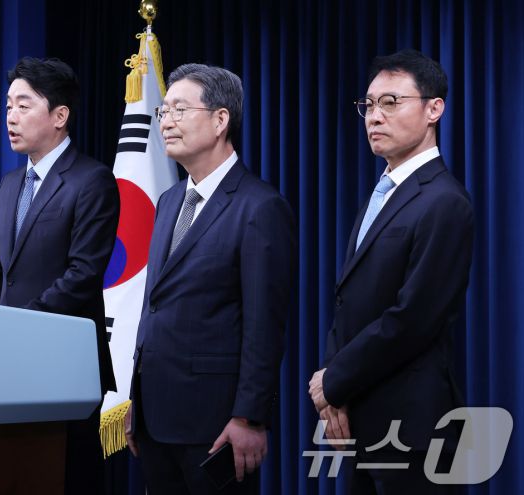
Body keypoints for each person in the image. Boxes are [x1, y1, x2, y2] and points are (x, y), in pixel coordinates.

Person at [125, 63, 296, 494]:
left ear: (221, 120)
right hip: (154, 420)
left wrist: (249, 417)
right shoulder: (168, 201)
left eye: (180, 110)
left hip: (216, 426)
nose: (166, 122)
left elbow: (264, 325)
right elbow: (153, 306)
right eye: (163, 111)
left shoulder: (259, 206)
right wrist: (135, 398)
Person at [309, 49, 474, 494]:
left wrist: (334, 380)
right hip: (359, 417)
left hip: (414, 429)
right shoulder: (383, 192)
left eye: (390, 102)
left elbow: (412, 318)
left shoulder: (444, 200)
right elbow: (349, 300)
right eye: (368, 105)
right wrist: (334, 391)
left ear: (434, 109)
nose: (374, 116)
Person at [0, 57, 119, 495]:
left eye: (23, 105)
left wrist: (18, 324)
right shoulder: (10, 184)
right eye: (8, 106)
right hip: (7, 365)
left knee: (64, 479)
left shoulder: (92, 181)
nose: (10, 117)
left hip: (64, 366)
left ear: (60, 115)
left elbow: (83, 274)